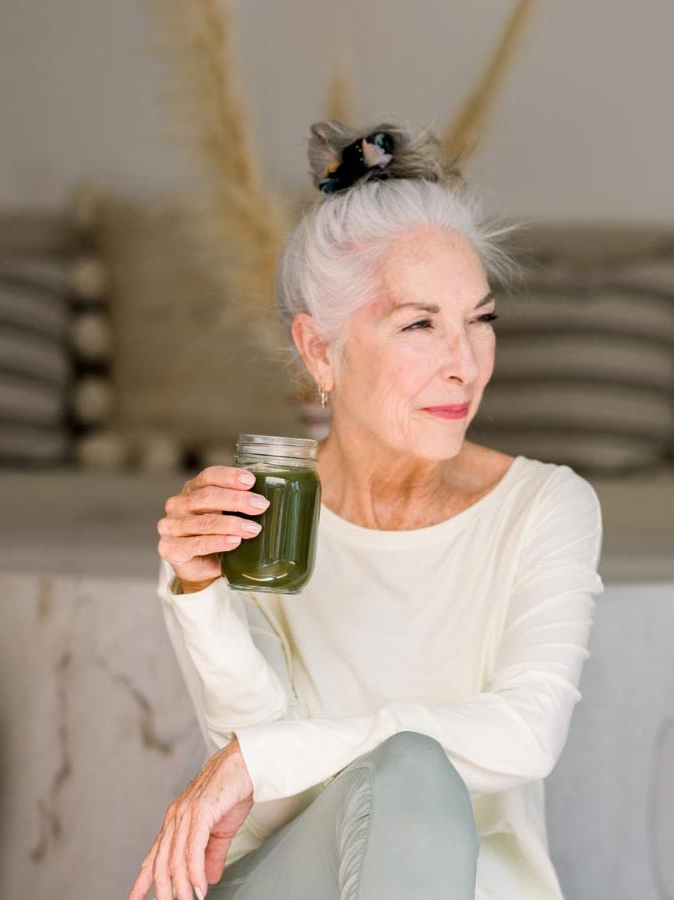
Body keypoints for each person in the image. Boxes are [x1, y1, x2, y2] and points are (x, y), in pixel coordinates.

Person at [128, 119, 606, 900]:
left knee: (413, 771)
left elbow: (527, 731)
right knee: (407, 763)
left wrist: (263, 758)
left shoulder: (544, 507)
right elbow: (264, 786)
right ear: (320, 351)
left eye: (479, 321)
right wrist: (200, 596)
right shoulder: (261, 510)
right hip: (288, 883)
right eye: (420, 324)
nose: (464, 364)